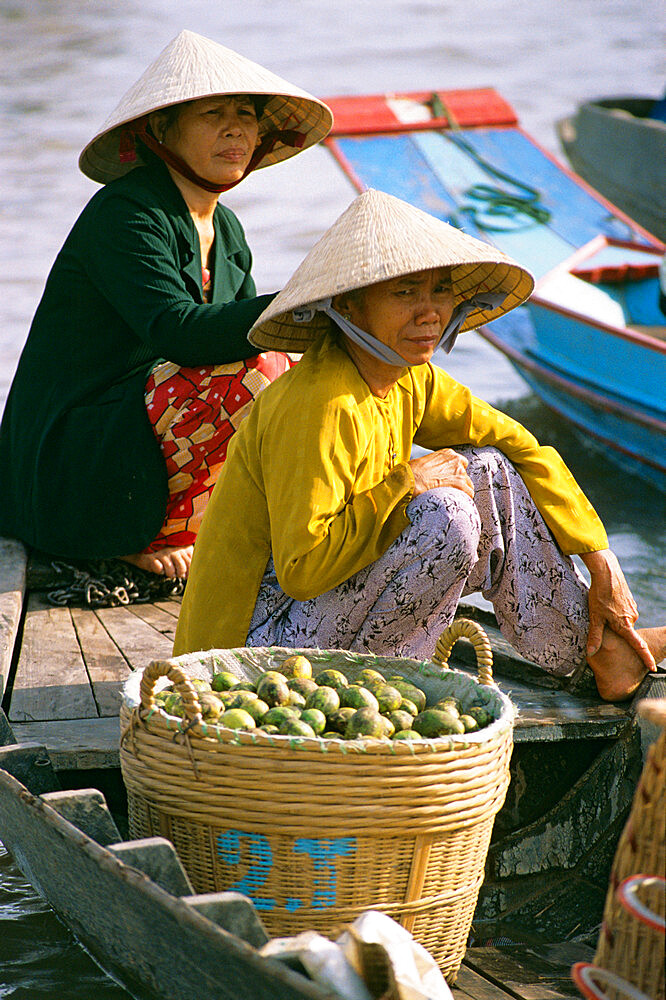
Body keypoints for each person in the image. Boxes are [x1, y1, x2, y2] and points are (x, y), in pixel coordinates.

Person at [174, 189, 665, 701]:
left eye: (440, 291)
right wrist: (406, 482)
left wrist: (599, 557)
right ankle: (393, 683)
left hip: (319, 621)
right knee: (445, 515)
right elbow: (303, 570)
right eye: (405, 293)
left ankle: (600, 652)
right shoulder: (320, 403)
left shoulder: (409, 375)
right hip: (249, 660)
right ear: (349, 304)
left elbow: (516, 443)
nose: (430, 313)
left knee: (489, 469)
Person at [0, 30, 332, 580]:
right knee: (261, 373)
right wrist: (306, 301)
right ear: (161, 129)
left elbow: (243, 337)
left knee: (299, 372)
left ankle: (218, 526)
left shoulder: (226, 228)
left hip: (135, 432)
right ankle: (141, 534)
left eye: (246, 113)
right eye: (212, 113)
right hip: (75, 457)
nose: (235, 128)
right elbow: (178, 333)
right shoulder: (126, 212)